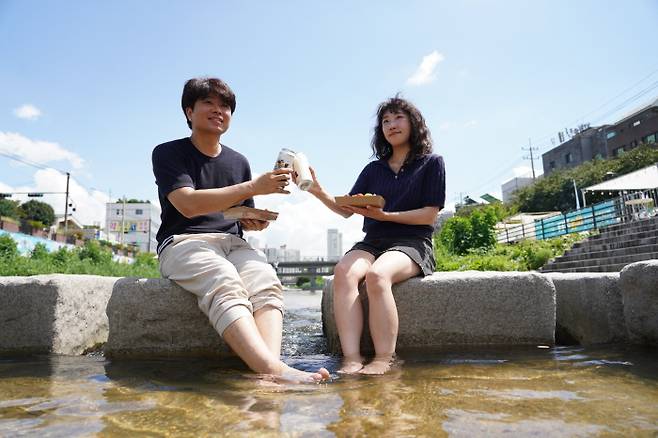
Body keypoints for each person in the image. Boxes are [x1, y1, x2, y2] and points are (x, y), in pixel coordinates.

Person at [152, 77, 329, 383]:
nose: (218, 110)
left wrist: (253, 220)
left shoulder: (238, 161)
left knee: (267, 282)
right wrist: (253, 186)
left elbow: (236, 211)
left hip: (233, 242)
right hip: (183, 242)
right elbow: (188, 205)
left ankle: (267, 373)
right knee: (224, 280)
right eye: (208, 103)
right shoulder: (168, 153)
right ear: (189, 111)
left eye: (225, 106)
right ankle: (274, 370)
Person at [308, 96, 445, 374]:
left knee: (377, 275)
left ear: (414, 123)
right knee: (344, 272)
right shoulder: (373, 169)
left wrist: (385, 216)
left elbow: (429, 215)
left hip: (412, 242)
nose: (391, 125)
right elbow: (347, 210)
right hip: (373, 241)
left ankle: (384, 359)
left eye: (398, 118)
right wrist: (317, 189)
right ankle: (352, 358)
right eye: (385, 121)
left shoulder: (431, 163)